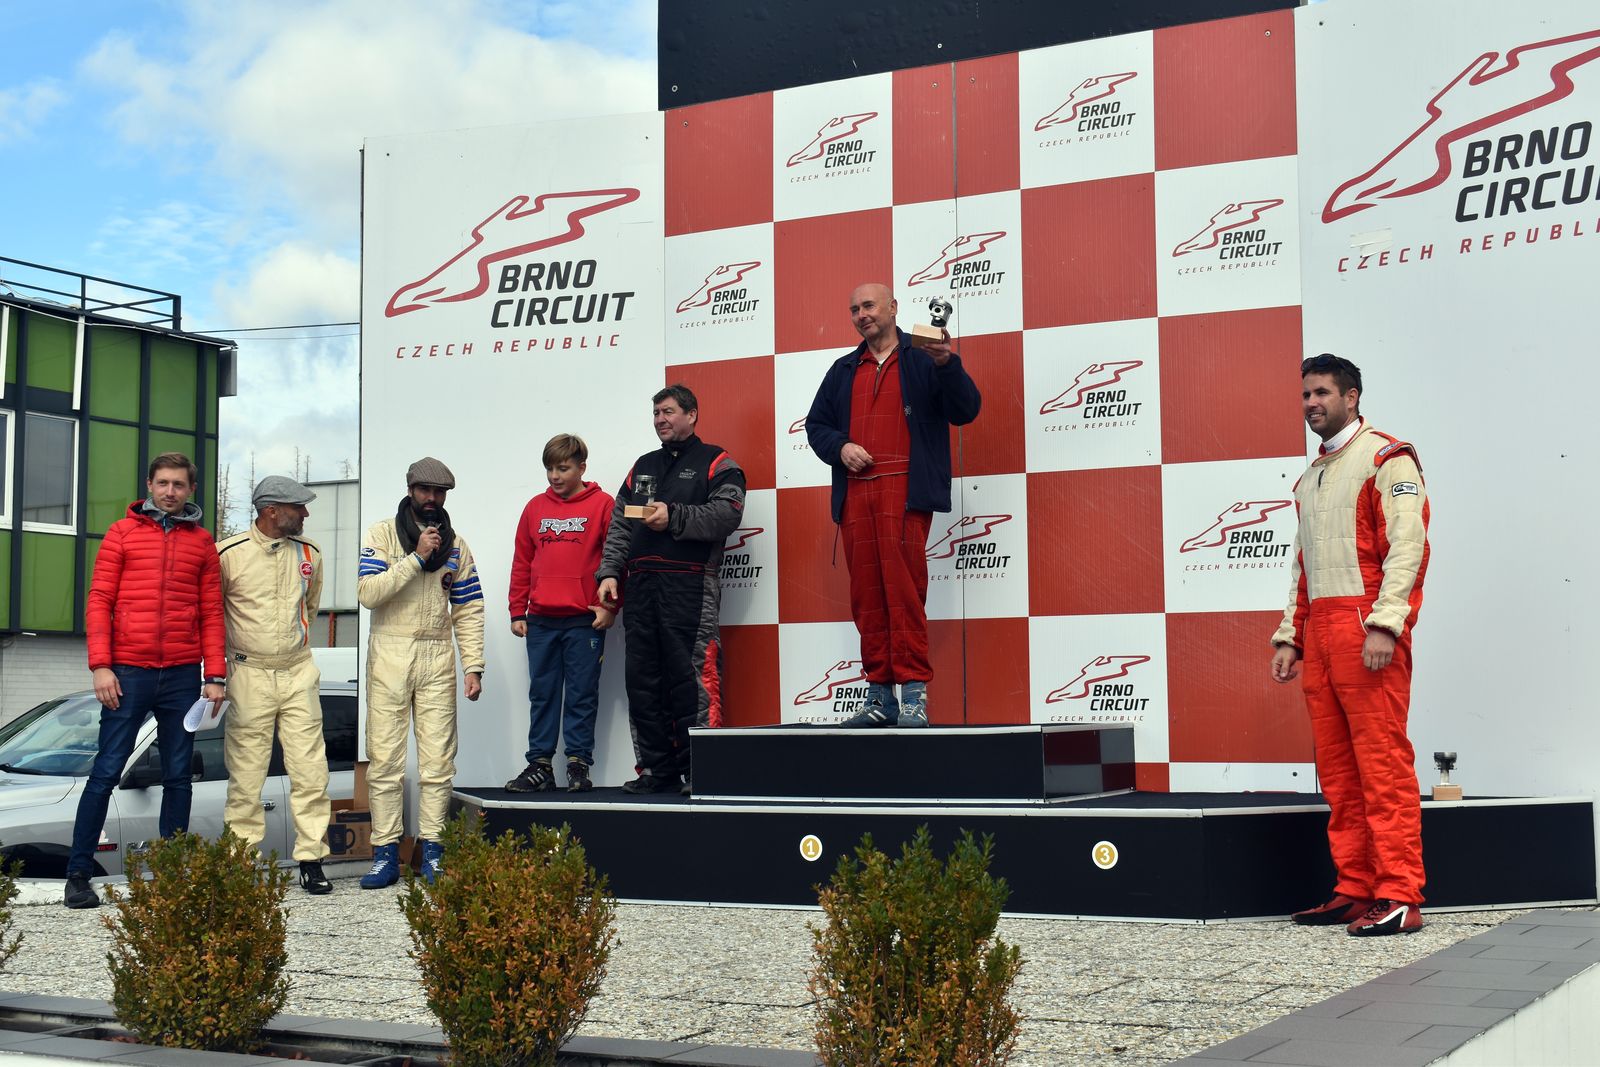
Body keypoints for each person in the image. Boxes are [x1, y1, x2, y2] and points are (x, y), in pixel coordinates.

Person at [1271, 354, 1431, 937]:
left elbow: (1408, 546)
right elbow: (1304, 567)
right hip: (1322, 633)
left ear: (1352, 397)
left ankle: (1399, 895)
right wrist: (1291, 636)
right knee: (1339, 773)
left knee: (1382, 767)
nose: (1311, 403)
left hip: (1364, 630)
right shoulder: (1311, 475)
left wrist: (1387, 624)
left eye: (1322, 393)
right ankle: (1357, 888)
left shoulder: (1387, 458)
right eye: (1305, 394)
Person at [804, 282, 981, 728]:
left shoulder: (923, 358)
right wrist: (841, 447)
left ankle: (914, 695)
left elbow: (965, 410)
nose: (861, 314)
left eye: (869, 305)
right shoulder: (844, 369)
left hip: (905, 491)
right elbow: (816, 425)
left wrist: (947, 364)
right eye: (854, 309)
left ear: (893, 308)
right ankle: (880, 696)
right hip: (856, 495)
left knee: (903, 593)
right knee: (867, 598)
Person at [64, 453, 226, 909]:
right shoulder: (121, 533)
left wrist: (214, 674)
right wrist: (101, 665)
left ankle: (170, 876)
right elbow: (99, 600)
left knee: (178, 777)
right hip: (127, 672)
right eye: (163, 483)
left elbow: (212, 612)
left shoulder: (202, 543)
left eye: (179, 484)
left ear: (191, 489)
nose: (170, 491)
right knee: (106, 772)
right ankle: (78, 875)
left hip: (181, 674)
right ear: (149, 485)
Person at [596, 385, 745, 796]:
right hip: (641, 586)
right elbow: (621, 523)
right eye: (656, 413)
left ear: (692, 414)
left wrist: (673, 516)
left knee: (692, 677)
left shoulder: (717, 461)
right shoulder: (643, 466)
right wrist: (609, 572)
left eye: (668, 411)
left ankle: (702, 770)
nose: (660, 419)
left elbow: (728, 514)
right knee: (642, 681)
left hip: (690, 584)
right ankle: (656, 770)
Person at [356, 457, 484, 887]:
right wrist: (416, 558)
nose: (432, 499)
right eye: (425, 490)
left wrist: (474, 665)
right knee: (385, 760)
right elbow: (368, 593)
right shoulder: (382, 534)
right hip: (390, 651)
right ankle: (385, 854)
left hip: (436, 653)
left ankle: (433, 850)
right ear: (410, 490)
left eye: (439, 492)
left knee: (438, 762)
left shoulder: (456, 544)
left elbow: (468, 607)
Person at [216, 475, 333, 895]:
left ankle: (312, 859)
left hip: (298, 669)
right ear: (271, 511)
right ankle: (241, 861)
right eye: (298, 507)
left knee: (311, 770)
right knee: (246, 774)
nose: (306, 513)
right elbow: (212, 614)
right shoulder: (228, 554)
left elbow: (311, 608)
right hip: (249, 672)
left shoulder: (310, 552)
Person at [505, 434, 616, 793]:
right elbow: (522, 561)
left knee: (582, 694)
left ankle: (578, 765)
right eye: (550, 469)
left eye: (563, 468)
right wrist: (517, 609)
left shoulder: (603, 504)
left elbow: (617, 558)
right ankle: (540, 765)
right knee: (543, 694)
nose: (555, 476)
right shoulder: (535, 507)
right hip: (540, 619)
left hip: (584, 619)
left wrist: (610, 606)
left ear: (582, 467)